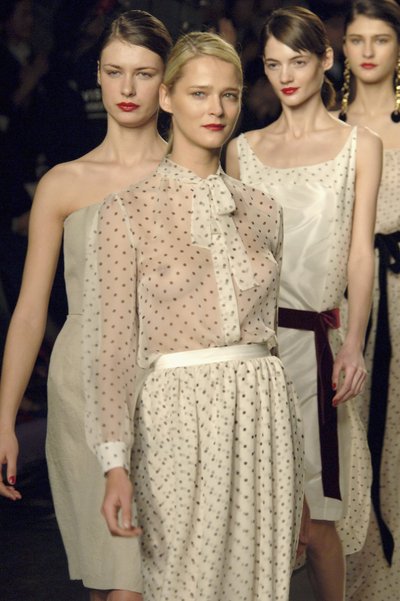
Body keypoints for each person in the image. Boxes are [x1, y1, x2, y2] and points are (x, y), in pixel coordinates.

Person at [82, 30, 304, 601]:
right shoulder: (125, 213)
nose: (216, 110)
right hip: (176, 418)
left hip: (264, 413)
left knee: (261, 586)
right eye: (200, 94)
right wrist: (114, 464)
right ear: (167, 98)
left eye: (229, 95)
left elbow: (273, 342)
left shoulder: (262, 209)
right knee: (184, 584)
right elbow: (110, 351)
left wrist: (299, 468)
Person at [0, 9, 172, 601]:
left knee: (139, 583)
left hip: (169, 388)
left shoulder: (192, 174)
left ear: (166, 81)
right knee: (107, 579)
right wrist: (4, 418)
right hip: (81, 387)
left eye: (144, 73)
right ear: (97, 75)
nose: (128, 88)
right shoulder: (63, 183)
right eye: (115, 71)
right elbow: (29, 312)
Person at [226, 7, 381, 601]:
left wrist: (353, 342)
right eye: (272, 65)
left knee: (318, 524)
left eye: (297, 61)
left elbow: (360, 254)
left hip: (320, 349)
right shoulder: (243, 151)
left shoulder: (358, 146)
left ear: (326, 59)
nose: (285, 76)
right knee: (264, 517)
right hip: (255, 350)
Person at [336, 1, 400, 599]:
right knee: (353, 444)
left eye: (381, 39)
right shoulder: (329, 123)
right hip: (347, 300)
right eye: (357, 39)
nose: (369, 51)